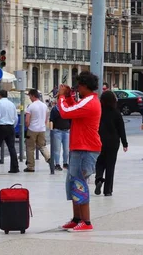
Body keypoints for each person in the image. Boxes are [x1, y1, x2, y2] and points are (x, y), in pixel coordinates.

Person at [57, 72, 102, 232]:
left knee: (80, 184)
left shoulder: (89, 102)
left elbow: (66, 112)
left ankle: (86, 222)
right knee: (72, 184)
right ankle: (77, 219)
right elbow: (74, 109)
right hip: (79, 147)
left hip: (86, 148)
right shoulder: (86, 101)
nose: (77, 89)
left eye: (78, 86)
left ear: (84, 86)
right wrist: (68, 97)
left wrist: (62, 97)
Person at [94, 91, 128, 197]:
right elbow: (121, 129)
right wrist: (124, 143)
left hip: (99, 140)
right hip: (113, 142)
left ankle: (99, 178)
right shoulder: (116, 112)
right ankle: (108, 190)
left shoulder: (98, 112)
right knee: (110, 165)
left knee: (99, 162)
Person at [25, 89, 50, 172]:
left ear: (33, 96)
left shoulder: (31, 106)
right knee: (42, 146)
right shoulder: (44, 106)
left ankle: (30, 166)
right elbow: (46, 119)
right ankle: (49, 158)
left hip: (32, 129)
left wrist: (28, 127)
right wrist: (43, 125)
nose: (29, 98)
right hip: (42, 129)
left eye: (30, 96)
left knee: (30, 148)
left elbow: (27, 120)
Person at [50, 102, 71, 171]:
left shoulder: (67, 108)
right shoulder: (55, 109)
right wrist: (51, 130)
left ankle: (65, 163)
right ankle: (57, 164)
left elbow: (70, 120)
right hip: (57, 131)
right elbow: (51, 120)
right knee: (57, 149)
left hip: (66, 131)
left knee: (67, 149)